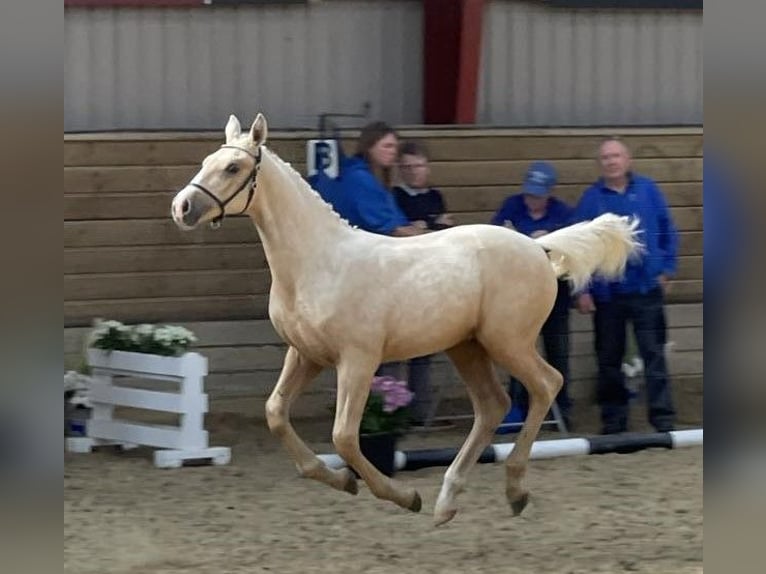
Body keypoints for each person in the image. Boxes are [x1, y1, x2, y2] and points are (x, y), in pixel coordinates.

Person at [573, 136, 678, 434]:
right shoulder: (591, 199)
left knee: (653, 355)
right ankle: (614, 422)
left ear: (627, 160)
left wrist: (667, 269)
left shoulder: (649, 191)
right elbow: (578, 247)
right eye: (606, 157)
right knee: (609, 360)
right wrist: (582, 290)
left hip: (647, 290)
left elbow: (668, 229)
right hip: (608, 295)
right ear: (600, 164)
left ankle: (663, 419)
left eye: (616, 156)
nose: (612, 161)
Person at [490, 161, 574, 430]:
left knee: (557, 350)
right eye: (529, 194)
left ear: (550, 192)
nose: (532, 201)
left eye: (538, 196)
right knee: (518, 350)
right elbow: (495, 239)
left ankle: (561, 409)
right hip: (519, 293)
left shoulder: (564, 214)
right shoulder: (511, 206)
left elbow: (571, 255)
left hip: (556, 291)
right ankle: (517, 407)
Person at [390, 141, 455, 430]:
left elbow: (442, 233)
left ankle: (420, 413)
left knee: (424, 351)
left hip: (430, 280)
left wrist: (426, 228)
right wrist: (433, 227)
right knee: (393, 351)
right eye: (408, 167)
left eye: (419, 166)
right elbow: (411, 234)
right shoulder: (396, 197)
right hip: (401, 281)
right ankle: (392, 411)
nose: (414, 172)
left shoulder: (435, 196)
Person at [311, 120, 423, 236]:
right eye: (387, 146)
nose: (393, 152)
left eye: (395, 147)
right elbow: (392, 229)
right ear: (369, 147)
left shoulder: (372, 178)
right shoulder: (359, 178)